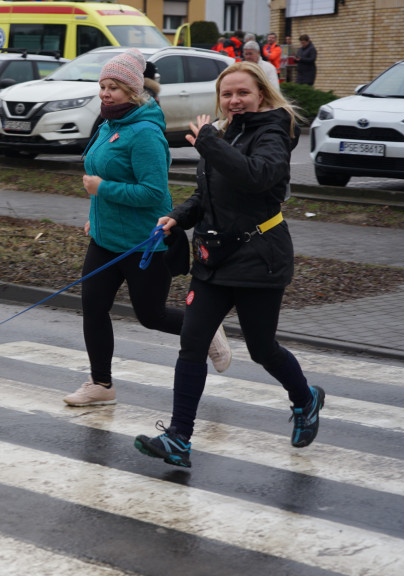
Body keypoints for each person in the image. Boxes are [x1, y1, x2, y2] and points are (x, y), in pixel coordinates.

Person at [134, 62, 324, 468]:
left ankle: (305, 399)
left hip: (259, 259)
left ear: (261, 96)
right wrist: (177, 217)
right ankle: (179, 438)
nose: (234, 101)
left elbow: (257, 176)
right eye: (227, 94)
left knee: (261, 349)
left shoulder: (274, 131)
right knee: (192, 344)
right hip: (213, 260)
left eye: (243, 93)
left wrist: (208, 142)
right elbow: (207, 196)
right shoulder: (221, 133)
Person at [63, 49, 232, 407]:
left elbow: (154, 193)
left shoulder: (144, 134)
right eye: (103, 86)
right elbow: (102, 174)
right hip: (106, 239)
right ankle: (101, 384)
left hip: (145, 242)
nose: (105, 93)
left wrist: (101, 190)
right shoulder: (110, 124)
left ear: (134, 92)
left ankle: (208, 330)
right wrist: (96, 212)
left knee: (151, 316)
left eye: (115, 88)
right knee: (93, 307)